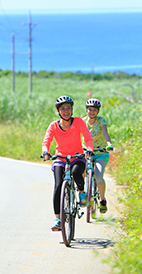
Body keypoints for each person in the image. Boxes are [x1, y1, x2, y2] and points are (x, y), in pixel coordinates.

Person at [42, 95, 94, 231]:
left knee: (77, 172)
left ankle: (81, 193)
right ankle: (57, 219)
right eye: (63, 109)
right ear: (58, 111)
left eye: (68, 108)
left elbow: (87, 137)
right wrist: (45, 152)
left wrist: (89, 149)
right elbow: (47, 141)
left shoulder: (78, 122)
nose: (66, 111)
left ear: (72, 109)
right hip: (60, 158)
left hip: (77, 156)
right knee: (58, 185)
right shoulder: (53, 125)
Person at [83, 98, 113, 213]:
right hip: (86, 151)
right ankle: (82, 192)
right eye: (90, 110)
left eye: (94, 110)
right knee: (80, 168)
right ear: (87, 110)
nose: (92, 112)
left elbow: (105, 133)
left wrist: (109, 144)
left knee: (99, 175)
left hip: (100, 152)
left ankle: (102, 200)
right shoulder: (83, 121)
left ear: (98, 111)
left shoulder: (101, 121)